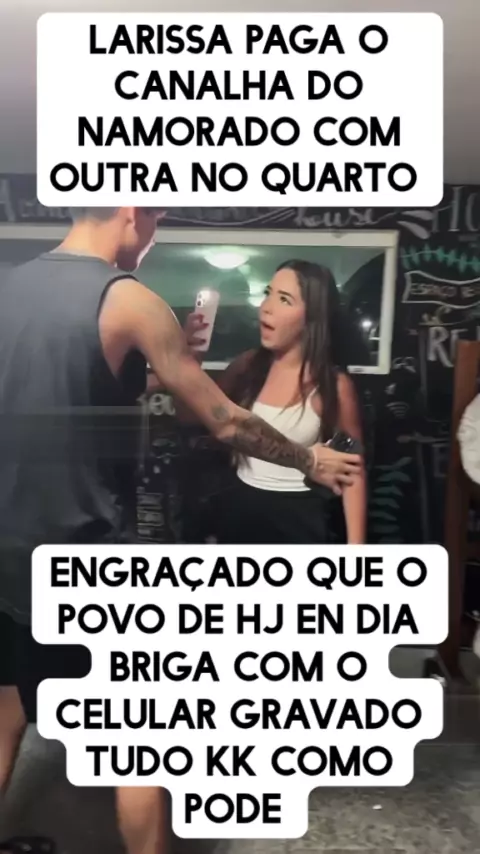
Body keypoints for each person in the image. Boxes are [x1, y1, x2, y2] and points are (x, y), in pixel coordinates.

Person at [0, 207, 362, 854]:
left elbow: (72, 390)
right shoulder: (128, 298)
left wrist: (162, 366)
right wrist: (309, 459)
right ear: (132, 213)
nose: (152, 238)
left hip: (7, 546)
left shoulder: (10, 284)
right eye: (156, 222)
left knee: (5, 713)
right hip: (80, 552)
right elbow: (224, 419)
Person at [183, 259, 367, 545]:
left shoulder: (335, 386)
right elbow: (190, 417)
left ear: (313, 316)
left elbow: (352, 471)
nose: (266, 307)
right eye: (268, 293)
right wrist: (190, 359)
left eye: (284, 299)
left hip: (299, 522)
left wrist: (357, 554)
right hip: (240, 514)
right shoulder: (247, 366)